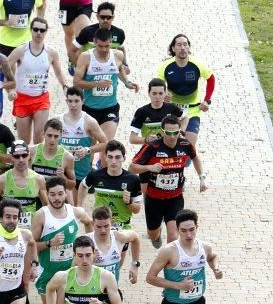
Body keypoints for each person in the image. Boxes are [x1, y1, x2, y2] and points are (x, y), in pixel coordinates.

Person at [30, 174, 91, 304]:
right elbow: (32, 244)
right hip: (47, 272)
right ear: (47, 195)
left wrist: (88, 246)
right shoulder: (41, 215)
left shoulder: (75, 212)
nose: (56, 198)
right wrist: (50, 243)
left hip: (67, 273)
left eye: (60, 194)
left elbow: (89, 223)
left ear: (66, 193)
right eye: (52, 194)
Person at [133, 115, 207, 247]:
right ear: (162, 131)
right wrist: (149, 167)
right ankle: (156, 235)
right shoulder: (152, 147)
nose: (172, 136)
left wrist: (202, 178)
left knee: (173, 236)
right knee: (153, 234)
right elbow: (132, 167)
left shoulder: (185, 144)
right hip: (153, 198)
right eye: (168, 133)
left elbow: (195, 158)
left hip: (175, 198)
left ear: (180, 131)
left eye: (175, 132)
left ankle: (170, 264)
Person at [7, 17, 69, 143]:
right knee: (24, 140)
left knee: (39, 136)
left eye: (42, 30)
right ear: (31, 30)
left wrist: (65, 86)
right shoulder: (21, 50)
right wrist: (10, 88)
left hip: (41, 98)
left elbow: (58, 71)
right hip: (22, 98)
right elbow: (5, 66)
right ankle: (25, 161)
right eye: (36, 29)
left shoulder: (51, 52)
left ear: (46, 32)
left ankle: (37, 162)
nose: (38, 33)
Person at [73, 28, 138, 142]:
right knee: (91, 148)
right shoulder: (85, 57)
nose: (104, 49)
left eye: (107, 46)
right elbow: (76, 83)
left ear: (111, 43)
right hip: (89, 109)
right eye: (100, 46)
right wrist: (97, 84)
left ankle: (103, 160)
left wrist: (127, 82)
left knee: (106, 146)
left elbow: (119, 69)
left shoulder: (118, 55)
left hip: (110, 108)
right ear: (94, 42)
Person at [157, 33, 215, 144]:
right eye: (179, 45)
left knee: (189, 147)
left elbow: (211, 78)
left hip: (193, 111)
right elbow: (158, 85)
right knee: (170, 144)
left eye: (185, 44)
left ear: (189, 47)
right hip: (172, 111)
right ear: (173, 48)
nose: (182, 48)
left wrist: (207, 100)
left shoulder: (197, 64)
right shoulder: (165, 66)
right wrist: (163, 94)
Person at [77, 139, 143, 229]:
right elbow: (83, 185)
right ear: (105, 158)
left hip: (122, 228)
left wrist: (129, 202)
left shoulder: (133, 179)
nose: (113, 161)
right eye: (110, 157)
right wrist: (80, 207)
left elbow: (137, 210)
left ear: (124, 158)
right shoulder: (96, 175)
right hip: (100, 228)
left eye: (117, 157)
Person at [0, 139, 47, 228]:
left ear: (29, 156)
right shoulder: (2, 180)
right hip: (6, 231)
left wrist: (42, 227)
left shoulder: (38, 179)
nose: (21, 160)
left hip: (28, 232)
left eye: (24, 155)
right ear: (12, 158)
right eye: (17, 156)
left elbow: (47, 205)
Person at [129, 78, 187, 151]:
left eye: (160, 93)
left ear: (165, 93)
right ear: (149, 93)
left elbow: (185, 118)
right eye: (154, 93)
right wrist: (146, 140)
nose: (157, 97)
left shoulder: (172, 108)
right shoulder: (141, 112)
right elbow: (132, 139)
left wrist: (181, 132)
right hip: (150, 152)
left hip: (169, 151)